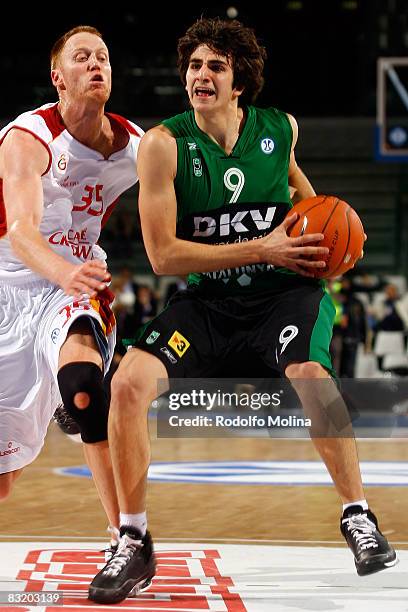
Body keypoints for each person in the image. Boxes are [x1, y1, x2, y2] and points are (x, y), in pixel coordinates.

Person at [89, 18, 396, 604]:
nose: (200, 76)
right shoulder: (164, 144)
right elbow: (162, 256)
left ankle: (358, 517)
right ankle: (133, 539)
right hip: (208, 301)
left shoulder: (279, 130)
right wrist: (263, 245)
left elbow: (306, 201)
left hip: (284, 295)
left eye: (215, 67)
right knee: (127, 385)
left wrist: (333, 240)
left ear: (239, 83)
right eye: (194, 66)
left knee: (311, 375)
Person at [0, 25, 145, 558]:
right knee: (4, 478)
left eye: (103, 56)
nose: (96, 64)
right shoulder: (28, 136)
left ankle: (128, 539)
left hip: (77, 283)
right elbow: (20, 232)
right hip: (11, 285)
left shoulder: (137, 146)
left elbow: (198, 183)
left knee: (85, 390)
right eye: (82, 57)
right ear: (58, 77)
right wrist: (61, 273)